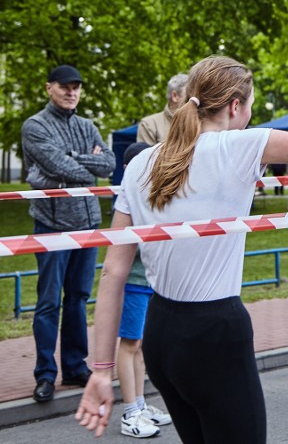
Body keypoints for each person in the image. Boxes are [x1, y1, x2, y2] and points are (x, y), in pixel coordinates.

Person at [75, 25, 288, 442]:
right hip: (214, 332)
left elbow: (112, 274)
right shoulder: (241, 146)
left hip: (160, 335)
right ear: (235, 106)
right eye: (250, 105)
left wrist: (102, 371)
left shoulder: (140, 164)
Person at [22, 64, 116, 403]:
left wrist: (71, 159)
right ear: (49, 88)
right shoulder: (35, 126)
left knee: (77, 298)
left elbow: (107, 165)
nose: (71, 92)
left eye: (76, 87)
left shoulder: (86, 125)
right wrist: (79, 165)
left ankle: (76, 367)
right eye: (64, 86)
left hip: (88, 225)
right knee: (48, 302)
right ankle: (45, 374)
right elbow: (54, 166)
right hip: (51, 226)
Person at [114, 142, 172, 439]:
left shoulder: (150, 193)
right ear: (129, 168)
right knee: (129, 345)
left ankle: (139, 404)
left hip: (148, 282)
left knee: (139, 346)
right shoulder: (127, 197)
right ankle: (129, 412)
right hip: (134, 283)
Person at [136, 73, 189, 144]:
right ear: (175, 96)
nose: (195, 99)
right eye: (189, 95)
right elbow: (146, 154)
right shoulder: (149, 125)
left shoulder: (202, 123)